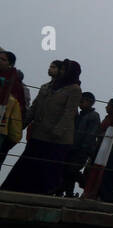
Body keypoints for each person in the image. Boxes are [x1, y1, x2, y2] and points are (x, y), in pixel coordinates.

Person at [1, 59, 82, 195]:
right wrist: (21, 124)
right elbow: (34, 107)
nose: (61, 72)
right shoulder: (47, 86)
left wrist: (57, 130)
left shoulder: (74, 89)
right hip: (39, 133)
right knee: (28, 164)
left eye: (64, 69)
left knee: (48, 168)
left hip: (57, 139)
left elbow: (69, 112)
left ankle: (44, 193)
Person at [60, 92, 99, 196]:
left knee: (72, 170)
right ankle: (68, 193)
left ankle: (86, 185)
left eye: (82, 101)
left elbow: (91, 134)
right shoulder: (79, 115)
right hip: (72, 148)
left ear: (90, 103)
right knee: (67, 171)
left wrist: (84, 148)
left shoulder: (93, 116)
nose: (80, 103)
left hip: (82, 150)